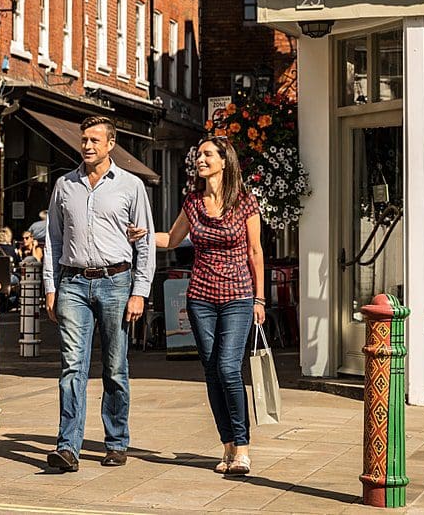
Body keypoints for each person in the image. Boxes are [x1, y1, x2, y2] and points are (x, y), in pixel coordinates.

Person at [131, 136, 265, 476]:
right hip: (201, 297)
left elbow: (255, 251)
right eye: (199, 155)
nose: (200, 159)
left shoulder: (245, 202)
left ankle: (243, 447)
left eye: (207, 154)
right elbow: (172, 240)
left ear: (224, 160)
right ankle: (227, 446)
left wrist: (260, 298)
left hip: (238, 295)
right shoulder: (192, 202)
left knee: (228, 368)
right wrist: (141, 234)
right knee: (211, 371)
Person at [43, 115, 155, 472]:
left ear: (110, 145)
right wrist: (51, 286)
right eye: (84, 139)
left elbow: (146, 242)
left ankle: (116, 441)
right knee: (72, 365)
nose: (87, 145)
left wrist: (140, 291)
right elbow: (53, 240)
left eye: (95, 140)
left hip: (116, 282)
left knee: (114, 367)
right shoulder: (64, 185)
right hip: (73, 283)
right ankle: (68, 447)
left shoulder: (131, 186)